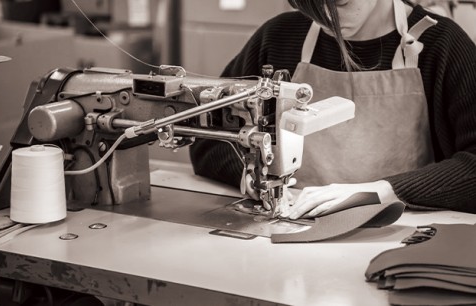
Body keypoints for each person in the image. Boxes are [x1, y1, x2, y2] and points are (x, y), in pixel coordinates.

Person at [189, 0, 476, 219]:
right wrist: (252, 172)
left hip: (402, 241)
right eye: (313, 5)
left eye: (340, 2)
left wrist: (381, 192)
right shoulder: (277, 38)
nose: (327, 17)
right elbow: (205, 139)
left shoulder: (443, 46)